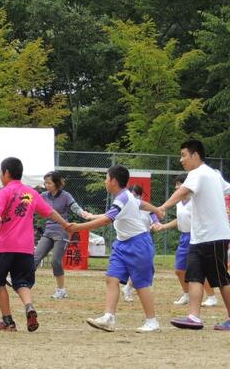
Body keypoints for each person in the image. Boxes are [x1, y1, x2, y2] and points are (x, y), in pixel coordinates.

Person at [0, 157, 68, 332]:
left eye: (0, 172)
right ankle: (29, 306)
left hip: (6, 246)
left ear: (6, 173)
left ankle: (8, 321)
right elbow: (50, 212)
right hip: (26, 248)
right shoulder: (31, 193)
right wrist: (65, 225)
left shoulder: (4, 192)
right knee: (22, 282)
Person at [68, 165, 160, 333]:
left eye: (106, 178)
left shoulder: (122, 198)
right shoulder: (126, 197)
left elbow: (106, 220)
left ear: (114, 181)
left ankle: (152, 322)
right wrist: (157, 209)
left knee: (140, 284)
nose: (105, 181)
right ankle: (109, 318)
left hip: (138, 244)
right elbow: (142, 204)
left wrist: (78, 227)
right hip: (121, 244)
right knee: (112, 278)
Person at [151, 139, 230, 330]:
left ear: (195, 155)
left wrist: (162, 207)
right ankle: (194, 317)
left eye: (184, 155)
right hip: (199, 236)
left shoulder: (198, 173)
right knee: (194, 276)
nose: (181, 160)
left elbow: (183, 192)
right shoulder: (214, 174)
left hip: (213, 236)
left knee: (221, 279)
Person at [151, 174, 217, 306]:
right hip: (184, 237)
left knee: (199, 269)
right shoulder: (179, 203)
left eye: (179, 184)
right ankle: (186, 295)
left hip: (197, 237)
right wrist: (163, 226)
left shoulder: (195, 201)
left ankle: (211, 297)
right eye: (176, 184)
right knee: (179, 270)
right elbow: (179, 220)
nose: (176, 187)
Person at [33, 171, 92, 300]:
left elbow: (74, 207)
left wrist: (83, 214)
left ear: (57, 183)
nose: (46, 185)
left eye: (49, 183)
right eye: (45, 183)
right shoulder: (43, 195)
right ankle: (22, 282)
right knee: (35, 258)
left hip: (62, 231)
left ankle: (61, 290)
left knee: (55, 261)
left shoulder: (66, 196)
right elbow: (31, 203)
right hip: (48, 231)